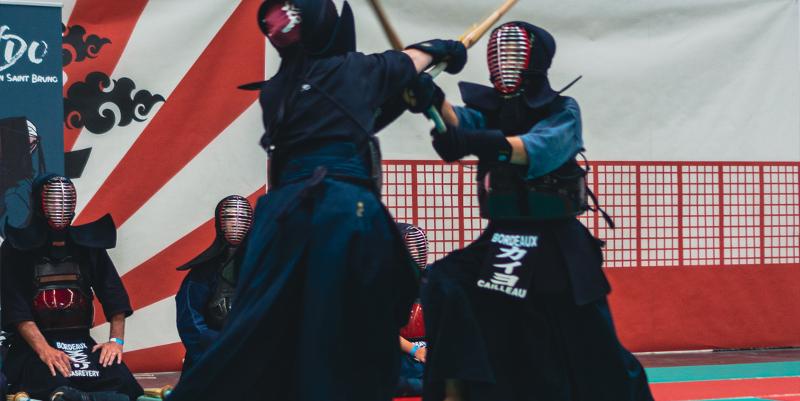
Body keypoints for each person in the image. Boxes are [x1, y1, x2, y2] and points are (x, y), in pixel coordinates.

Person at [166, 1, 467, 400]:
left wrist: (403, 96)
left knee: (258, 324)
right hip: (341, 209)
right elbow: (408, 61)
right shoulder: (357, 69)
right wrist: (442, 49)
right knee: (370, 308)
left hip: (280, 219)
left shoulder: (278, 89)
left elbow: (351, 120)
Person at [420, 22, 655, 401]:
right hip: (505, 242)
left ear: (536, 61)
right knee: (448, 284)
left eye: (514, 54)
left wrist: (476, 142)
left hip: (556, 247)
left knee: (594, 352)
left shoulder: (563, 111)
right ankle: (455, 391)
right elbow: (457, 122)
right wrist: (429, 95)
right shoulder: (490, 113)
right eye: (499, 55)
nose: (504, 63)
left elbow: (537, 148)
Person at [1, 174, 143, 401]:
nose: (60, 207)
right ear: (39, 203)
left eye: (64, 200)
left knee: (122, 382)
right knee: (54, 381)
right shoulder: (16, 249)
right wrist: (44, 350)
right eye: (53, 200)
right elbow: (17, 309)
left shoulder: (88, 247)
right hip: (35, 345)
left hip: (81, 342)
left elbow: (113, 294)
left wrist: (115, 342)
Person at [175, 195, 253, 373]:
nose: (236, 223)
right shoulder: (203, 271)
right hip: (210, 354)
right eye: (230, 216)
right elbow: (189, 317)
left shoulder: (259, 265)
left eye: (242, 217)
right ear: (220, 222)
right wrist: (214, 349)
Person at [395, 223, 429, 397]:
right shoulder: (382, 282)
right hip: (401, 351)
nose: (412, 254)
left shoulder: (431, 279)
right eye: (407, 249)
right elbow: (380, 330)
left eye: (415, 249)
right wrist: (415, 350)